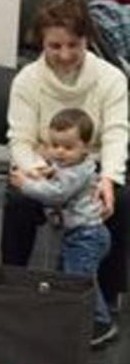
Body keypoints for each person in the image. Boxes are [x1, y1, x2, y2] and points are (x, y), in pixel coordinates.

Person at [3, 0, 129, 343]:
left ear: (87, 39)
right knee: (18, 202)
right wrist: (38, 171)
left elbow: (118, 134)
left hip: (94, 165)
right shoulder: (28, 80)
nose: (64, 54)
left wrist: (108, 179)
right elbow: (21, 139)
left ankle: (104, 294)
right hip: (44, 165)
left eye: (73, 45)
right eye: (54, 46)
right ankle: (13, 283)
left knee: (119, 200)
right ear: (41, 42)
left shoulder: (110, 78)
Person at [11, 108, 115, 342]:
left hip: (86, 236)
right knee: (69, 276)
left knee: (80, 281)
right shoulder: (68, 166)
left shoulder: (77, 172)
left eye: (68, 147)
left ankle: (100, 323)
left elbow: (57, 194)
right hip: (79, 234)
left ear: (86, 148)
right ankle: (72, 318)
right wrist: (48, 171)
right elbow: (59, 174)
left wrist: (25, 184)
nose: (59, 152)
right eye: (54, 145)